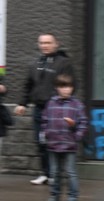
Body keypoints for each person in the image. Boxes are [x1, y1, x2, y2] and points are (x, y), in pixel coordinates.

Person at [14, 33, 74, 184]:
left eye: (48, 43)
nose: (44, 45)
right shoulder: (35, 63)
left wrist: (64, 106)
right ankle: (46, 173)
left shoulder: (64, 63)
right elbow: (28, 85)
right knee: (40, 141)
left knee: (55, 142)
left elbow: (71, 86)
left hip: (56, 109)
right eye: (42, 43)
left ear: (56, 44)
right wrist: (23, 103)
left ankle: (56, 175)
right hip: (39, 109)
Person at [39, 74, 88, 201]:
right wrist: (45, 134)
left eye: (68, 87)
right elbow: (44, 121)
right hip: (53, 143)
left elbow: (83, 123)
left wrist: (76, 134)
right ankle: (54, 196)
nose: (66, 90)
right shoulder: (51, 103)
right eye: (63, 87)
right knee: (54, 172)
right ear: (57, 88)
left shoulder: (77, 105)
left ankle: (73, 197)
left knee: (70, 172)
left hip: (69, 144)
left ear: (72, 88)